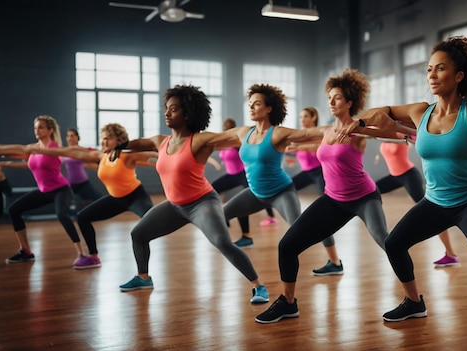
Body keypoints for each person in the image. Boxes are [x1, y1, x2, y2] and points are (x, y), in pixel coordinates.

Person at [342, 37, 467, 350]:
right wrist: (360, 120)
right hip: (435, 202)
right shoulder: (419, 112)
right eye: (429, 70)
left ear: (459, 76)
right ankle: (413, 302)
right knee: (394, 243)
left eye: (440, 69)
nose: (432, 75)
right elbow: (383, 110)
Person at [254, 68, 413, 324]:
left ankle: (414, 301)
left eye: (336, 97)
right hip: (333, 200)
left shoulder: (360, 130)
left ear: (349, 102)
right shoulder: (326, 131)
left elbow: (393, 132)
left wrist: (410, 135)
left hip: (364, 197)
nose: (330, 101)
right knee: (287, 245)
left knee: (387, 242)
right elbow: (303, 138)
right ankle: (288, 303)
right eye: (329, 97)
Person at [117, 85, 270, 305]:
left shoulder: (198, 141)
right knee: (139, 234)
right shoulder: (162, 141)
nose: (167, 113)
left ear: (188, 114)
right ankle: (143, 278)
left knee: (222, 242)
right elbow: (143, 142)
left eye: (174, 109)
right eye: (167, 108)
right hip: (174, 206)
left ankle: (259, 286)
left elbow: (231, 135)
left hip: (202, 203)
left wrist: (257, 131)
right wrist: (123, 146)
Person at [218, 83, 340, 271]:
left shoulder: (278, 133)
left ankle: (335, 262)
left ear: (269, 108)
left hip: (281, 192)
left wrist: (345, 125)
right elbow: (212, 139)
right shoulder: (244, 132)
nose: (251, 107)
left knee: (307, 228)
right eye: (250, 103)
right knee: (222, 214)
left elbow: (309, 133)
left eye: (256, 103)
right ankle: (240, 251)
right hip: (255, 193)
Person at [27, 123, 155, 269]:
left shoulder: (128, 155)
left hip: (136, 197)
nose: (104, 142)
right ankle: (93, 257)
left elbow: (153, 158)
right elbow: (70, 152)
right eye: (102, 138)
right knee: (83, 217)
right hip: (116, 199)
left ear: (119, 140)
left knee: (150, 225)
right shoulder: (101, 156)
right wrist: (37, 149)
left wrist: (168, 162)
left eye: (108, 138)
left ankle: (143, 274)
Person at [0, 115, 87, 265]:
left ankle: (82, 254)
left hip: (61, 190)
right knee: (14, 210)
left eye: (41, 127)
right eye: (35, 128)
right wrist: (6, 162)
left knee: (62, 215)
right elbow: (30, 163)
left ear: (50, 130)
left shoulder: (54, 148)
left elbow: (58, 157)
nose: (37, 130)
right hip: (44, 191)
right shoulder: (34, 149)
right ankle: (25, 251)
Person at [374, 134, 460, 267]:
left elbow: (417, 138)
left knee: (432, 213)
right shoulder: (386, 133)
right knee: (371, 190)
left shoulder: (402, 134)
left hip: (409, 176)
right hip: (394, 176)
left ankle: (451, 254)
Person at [208, 117, 278, 248]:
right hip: (231, 175)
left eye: (229, 128)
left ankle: (263, 221)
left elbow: (248, 150)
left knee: (250, 199)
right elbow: (221, 151)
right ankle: (225, 217)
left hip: (242, 175)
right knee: (212, 189)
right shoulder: (224, 142)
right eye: (225, 128)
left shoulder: (237, 142)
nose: (227, 130)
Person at [63, 128, 102, 212]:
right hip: (70, 183)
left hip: (82, 182)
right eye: (68, 136)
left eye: (72, 136)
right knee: (65, 203)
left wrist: (101, 168)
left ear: (77, 137)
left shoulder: (82, 150)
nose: (70, 138)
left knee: (97, 198)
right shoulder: (64, 151)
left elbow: (90, 161)